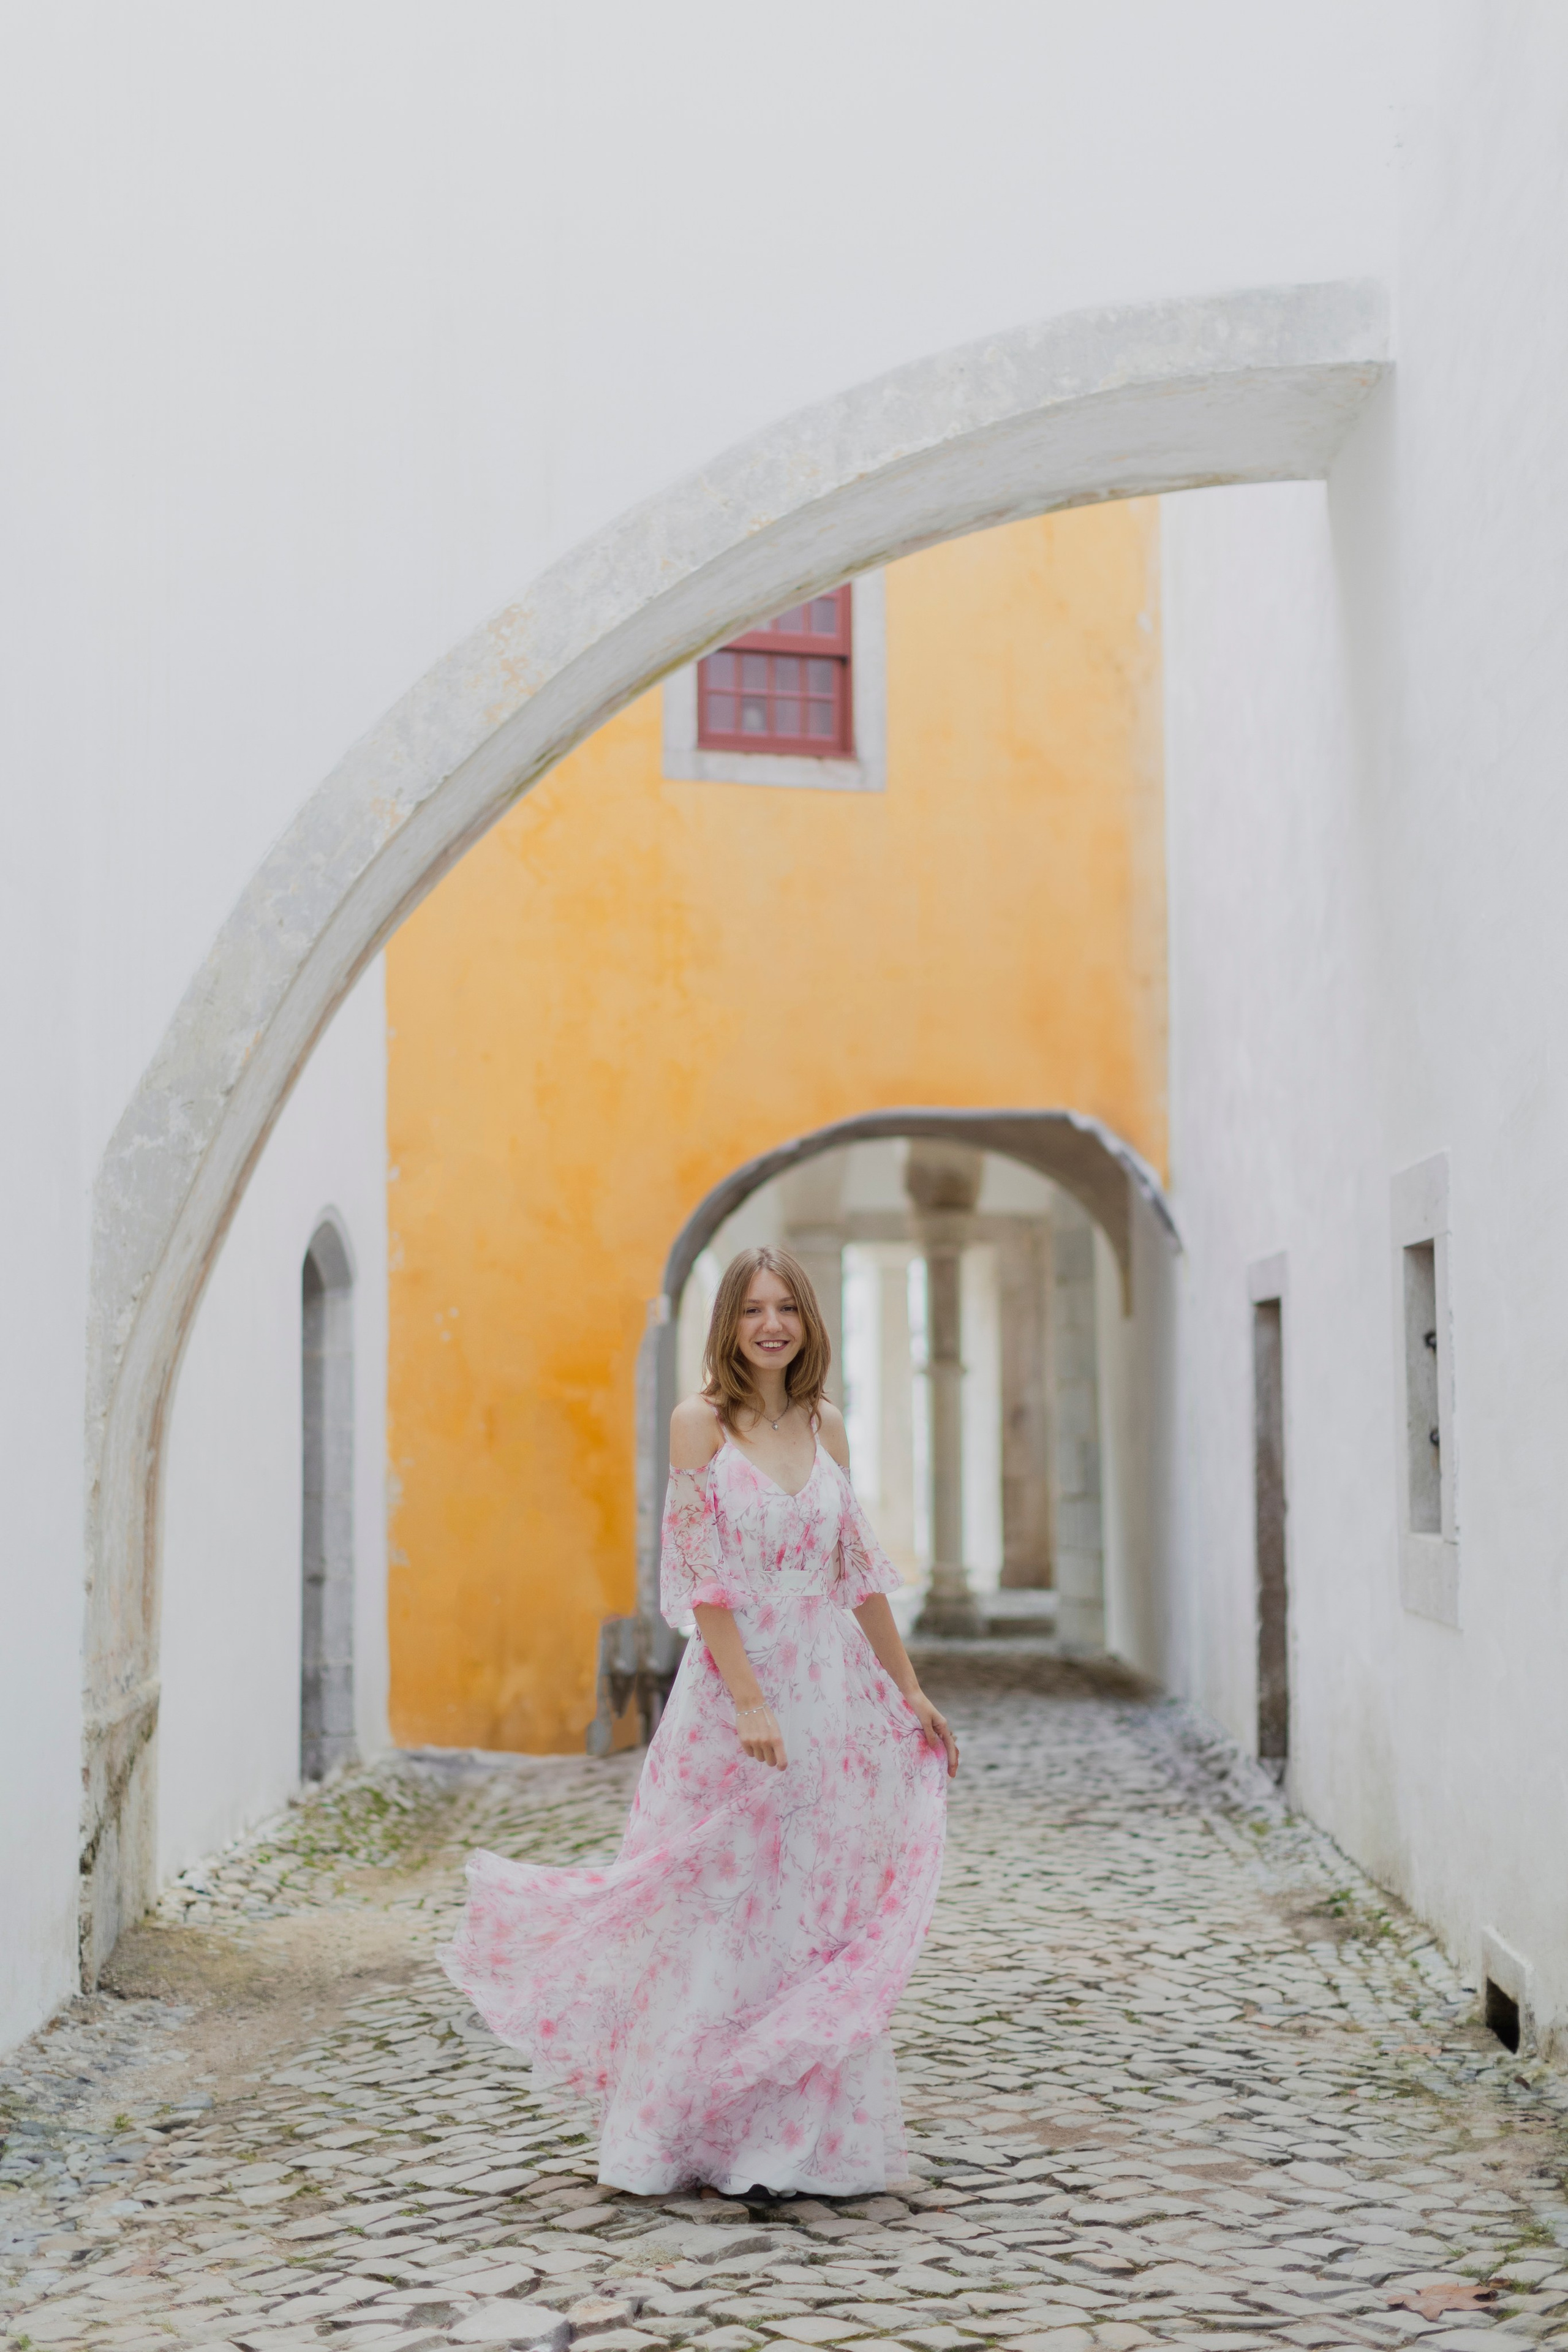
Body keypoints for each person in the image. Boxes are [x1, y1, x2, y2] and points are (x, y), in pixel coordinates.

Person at [440, 1245, 959, 2197]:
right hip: (734, 1699)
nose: (772, 1324)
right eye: (754, 1308)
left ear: (808, 1322)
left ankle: (795, 2144)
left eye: (788, 1308)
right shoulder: (700, 1427)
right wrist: (750, 1700)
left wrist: (908, 1689)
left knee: (810, 1912)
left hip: (832, 1697)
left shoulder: (826, 1424)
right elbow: (701, 1580)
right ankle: (698, 2134)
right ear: (729, 1323)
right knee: (722, 1909)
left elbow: (858, 1574)